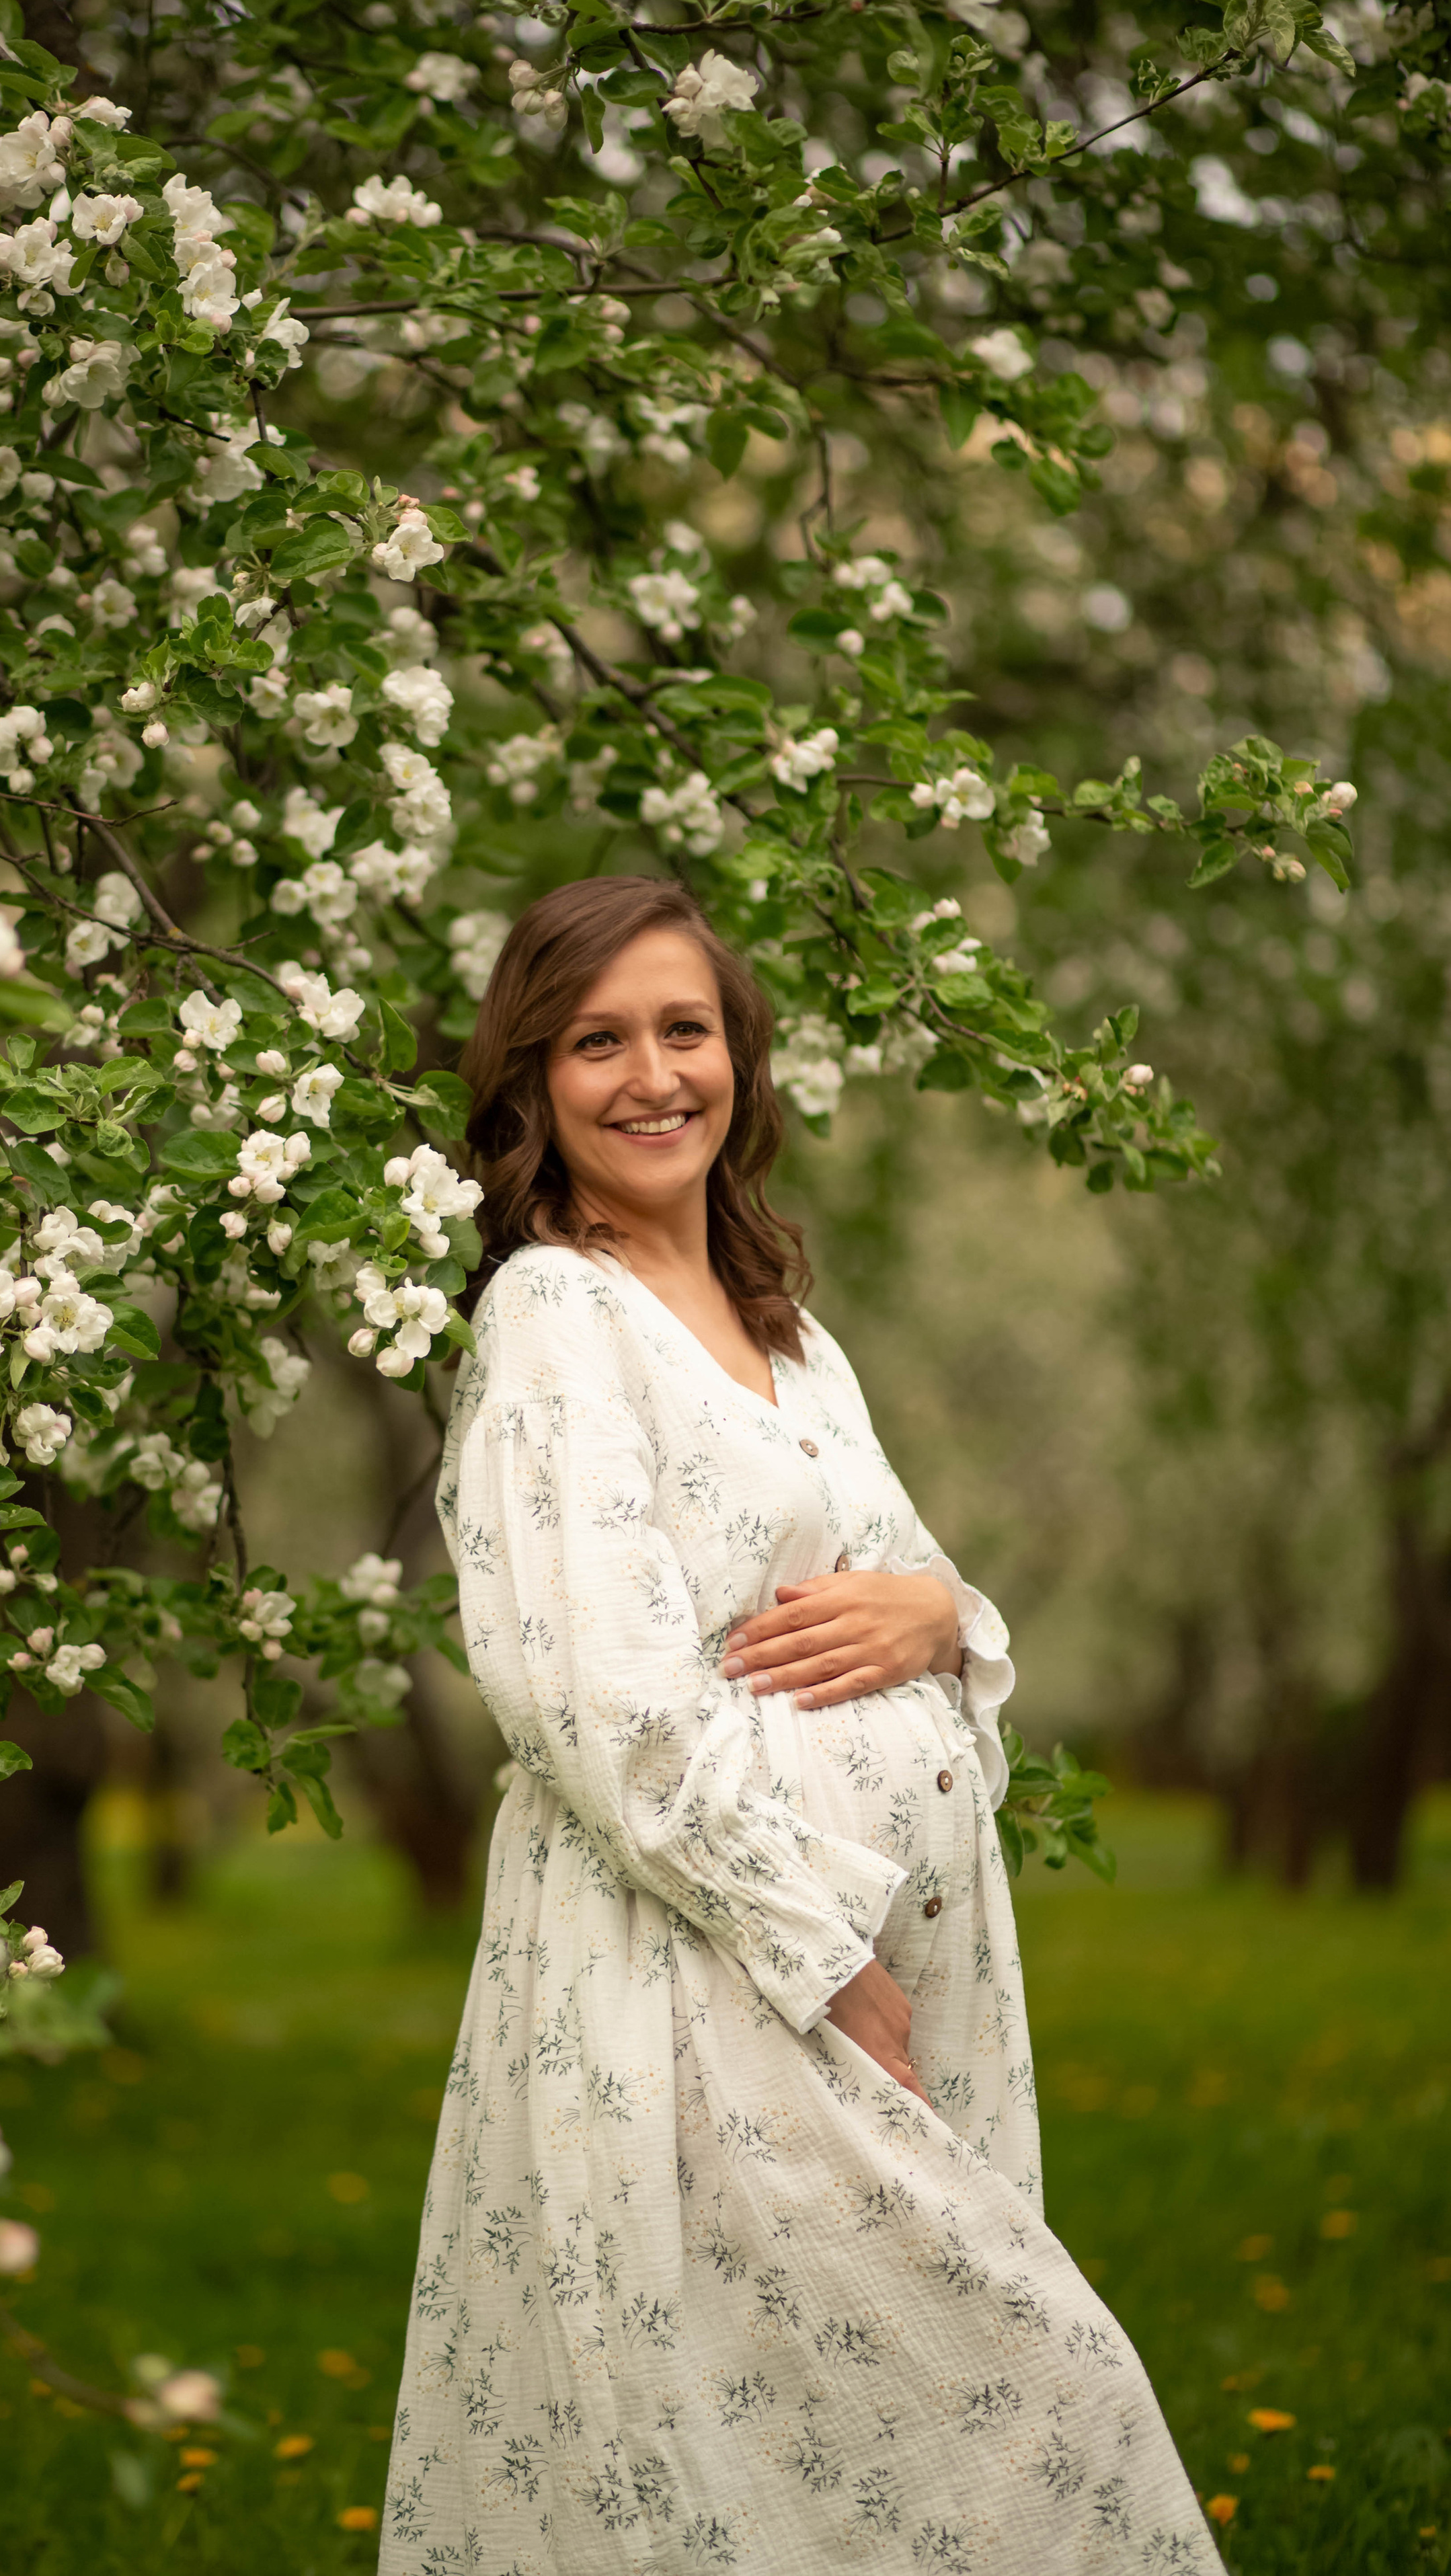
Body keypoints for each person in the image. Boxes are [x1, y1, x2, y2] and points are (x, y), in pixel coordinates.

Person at [380, 877, 1216, 2573]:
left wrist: (949, 1614)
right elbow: (590, 1696)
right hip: (705, 1962)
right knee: (1020, 2402)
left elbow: (907, 1592)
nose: (648, 1076)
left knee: (832, 2424)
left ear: (740, 1060)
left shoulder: (790, 1336)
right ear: (530, 1087)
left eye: (682, 1030)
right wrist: (815, 1945)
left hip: (863, 1950)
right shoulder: (555, 1318)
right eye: (592, 1042)